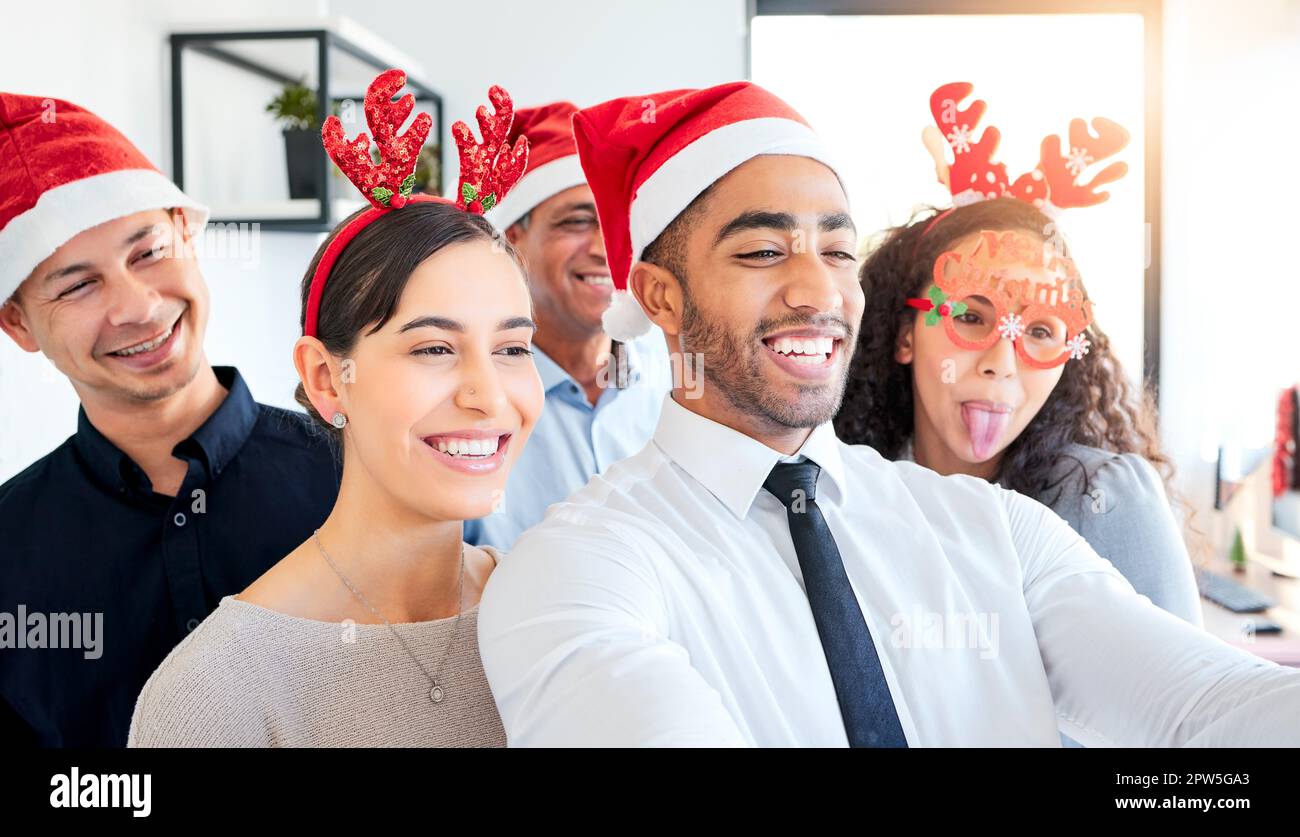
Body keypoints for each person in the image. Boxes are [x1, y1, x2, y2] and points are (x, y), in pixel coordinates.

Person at [476, 81, 1300, 747]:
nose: (817, 290)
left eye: (838, 251)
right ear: (661, 295)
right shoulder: (577, 569)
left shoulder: (996, 531)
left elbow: (1206, 712)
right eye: (764, 250)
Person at [127, 75, 540, 747]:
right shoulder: (213, 691)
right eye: (435, 347)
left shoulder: (558, 610)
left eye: (513, 347)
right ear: (327, 378)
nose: (488, 395)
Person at [0, 91, 339, 746]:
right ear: (17, 322)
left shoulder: (362, 474)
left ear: (186, 229)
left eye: (149, 251)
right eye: (77, 285)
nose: (139, 306)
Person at [836, 197, 1201, 626]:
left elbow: (1182, 687)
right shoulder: (840, 490)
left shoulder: (1101, 500)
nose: (1003, 364)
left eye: (1041, 331)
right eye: (971, 317)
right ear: (905, 337)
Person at [467, 101, 669, 550]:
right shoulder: (466, 401)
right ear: (511, 241)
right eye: (577, 222)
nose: (605, 248)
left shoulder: (684, 381)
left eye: (618, 224)